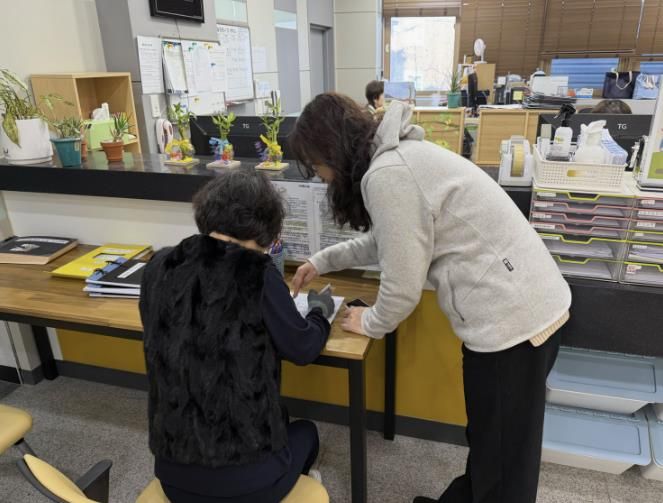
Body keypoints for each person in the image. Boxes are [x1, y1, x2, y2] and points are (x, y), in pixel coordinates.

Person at [288, 93, 571, 503]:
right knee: (494, 443)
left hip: (514, 323)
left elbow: (402, 288)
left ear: (331, 150)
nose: (322, 177)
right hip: (518, 310)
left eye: (317, 166)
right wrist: (322, 261)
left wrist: (370, 322)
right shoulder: (397, 158)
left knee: (506, 465)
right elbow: (390, 242)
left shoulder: (389, 174)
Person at [139, 169, 335, 503]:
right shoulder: (257, 272)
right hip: (250, 484)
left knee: (280, 419)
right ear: (266, 229)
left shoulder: (158, 265)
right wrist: (319, 314)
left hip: (173, 477)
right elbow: (303, 348)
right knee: (307, 433)